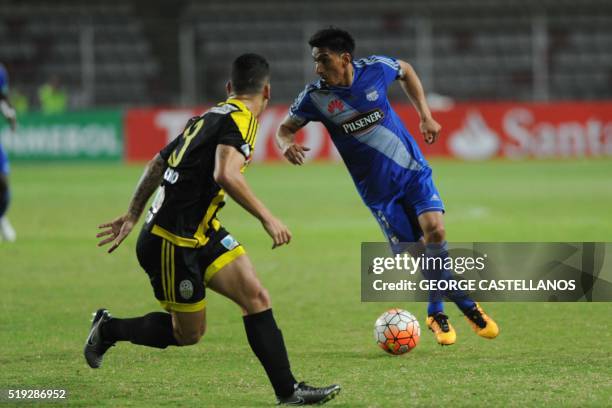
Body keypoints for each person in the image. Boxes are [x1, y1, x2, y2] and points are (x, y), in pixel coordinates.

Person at [85, 54, 341, 405]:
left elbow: (158, 162)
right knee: (188, 334)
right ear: (267, 91)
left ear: (228, 87)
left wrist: (132, 213)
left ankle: (289, 392)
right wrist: (268, 218)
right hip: (170, 241)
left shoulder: (209, 116)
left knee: (256, 297)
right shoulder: (243, 119)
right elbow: (226, 173)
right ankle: (108, 329)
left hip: (201, 230)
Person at [276, 28, 499, 346]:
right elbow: (284, 129)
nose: (317, 68)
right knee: (421, 256)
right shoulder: (315, 98)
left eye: (323, 60)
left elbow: (406, 70)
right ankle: (444, 308)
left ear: (345, 58)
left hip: (412, 170)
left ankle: (455, 309)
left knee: (435, 229)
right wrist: (285, 144)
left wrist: (425, 115)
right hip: (379, 193)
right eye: (315, 61)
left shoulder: (376, 69)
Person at [0, 62, 17, 242]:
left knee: (2, 180)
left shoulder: (0, 72)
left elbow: (2, 97)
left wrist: (9, 114)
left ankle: (1, 217)